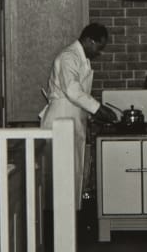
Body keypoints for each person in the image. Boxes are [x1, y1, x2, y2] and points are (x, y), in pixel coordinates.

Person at [39, 23, 117, 208]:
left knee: (71, 175)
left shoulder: (80, 58)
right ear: (89, 41)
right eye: (99, 47)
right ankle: (58, 226)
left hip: (71, 119)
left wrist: (91, 117)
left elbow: (79, 96)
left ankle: (70, 222)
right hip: (61, 120)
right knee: (61, 177)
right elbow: (73, 91)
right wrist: (99, 109)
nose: (99, 52)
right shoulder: (68, 57)